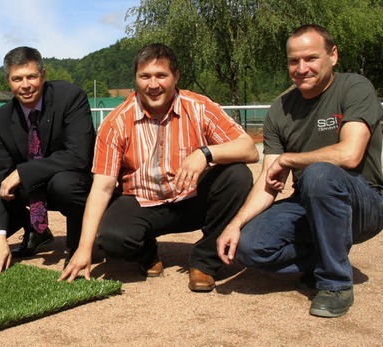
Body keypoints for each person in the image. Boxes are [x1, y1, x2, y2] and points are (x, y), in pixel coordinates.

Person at [59, 43, 258, 292]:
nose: (153, 85)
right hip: (142, 202)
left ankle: (205, 262)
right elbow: (102, 188)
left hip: (191, 199)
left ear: (176, 76)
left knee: (237, 175)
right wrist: (83, 249)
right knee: (112, 238)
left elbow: (249, 149)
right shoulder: (116, 122)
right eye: (145, 76)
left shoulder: (199, 107)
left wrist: (205, 153)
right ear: (136, 79)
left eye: (161, 75)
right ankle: (147, 253)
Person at [217, 24, 383, 317]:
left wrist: (289, 160)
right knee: (249, 248)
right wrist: (236, 223)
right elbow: (268, 180)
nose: (301, 67)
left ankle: (335, 284)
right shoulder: (280, 109)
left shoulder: (354, 87)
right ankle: (322, 257)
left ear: (333, 56)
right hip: (309, 200)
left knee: (320, 174)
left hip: (365, 201)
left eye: (311, 58)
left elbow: (350, 154)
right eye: (294, 61)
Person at [0, 46, 95, 274]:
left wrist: (22, 172)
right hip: (35, 187)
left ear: (43, 75)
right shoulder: (2, 118)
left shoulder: (70, 97)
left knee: (64, 184)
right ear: (8, 81)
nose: (25, 85)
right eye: (17, 79)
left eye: (31, 77)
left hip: (70, 183)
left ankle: (80, 243)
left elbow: (79, 156)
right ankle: (37, 232)